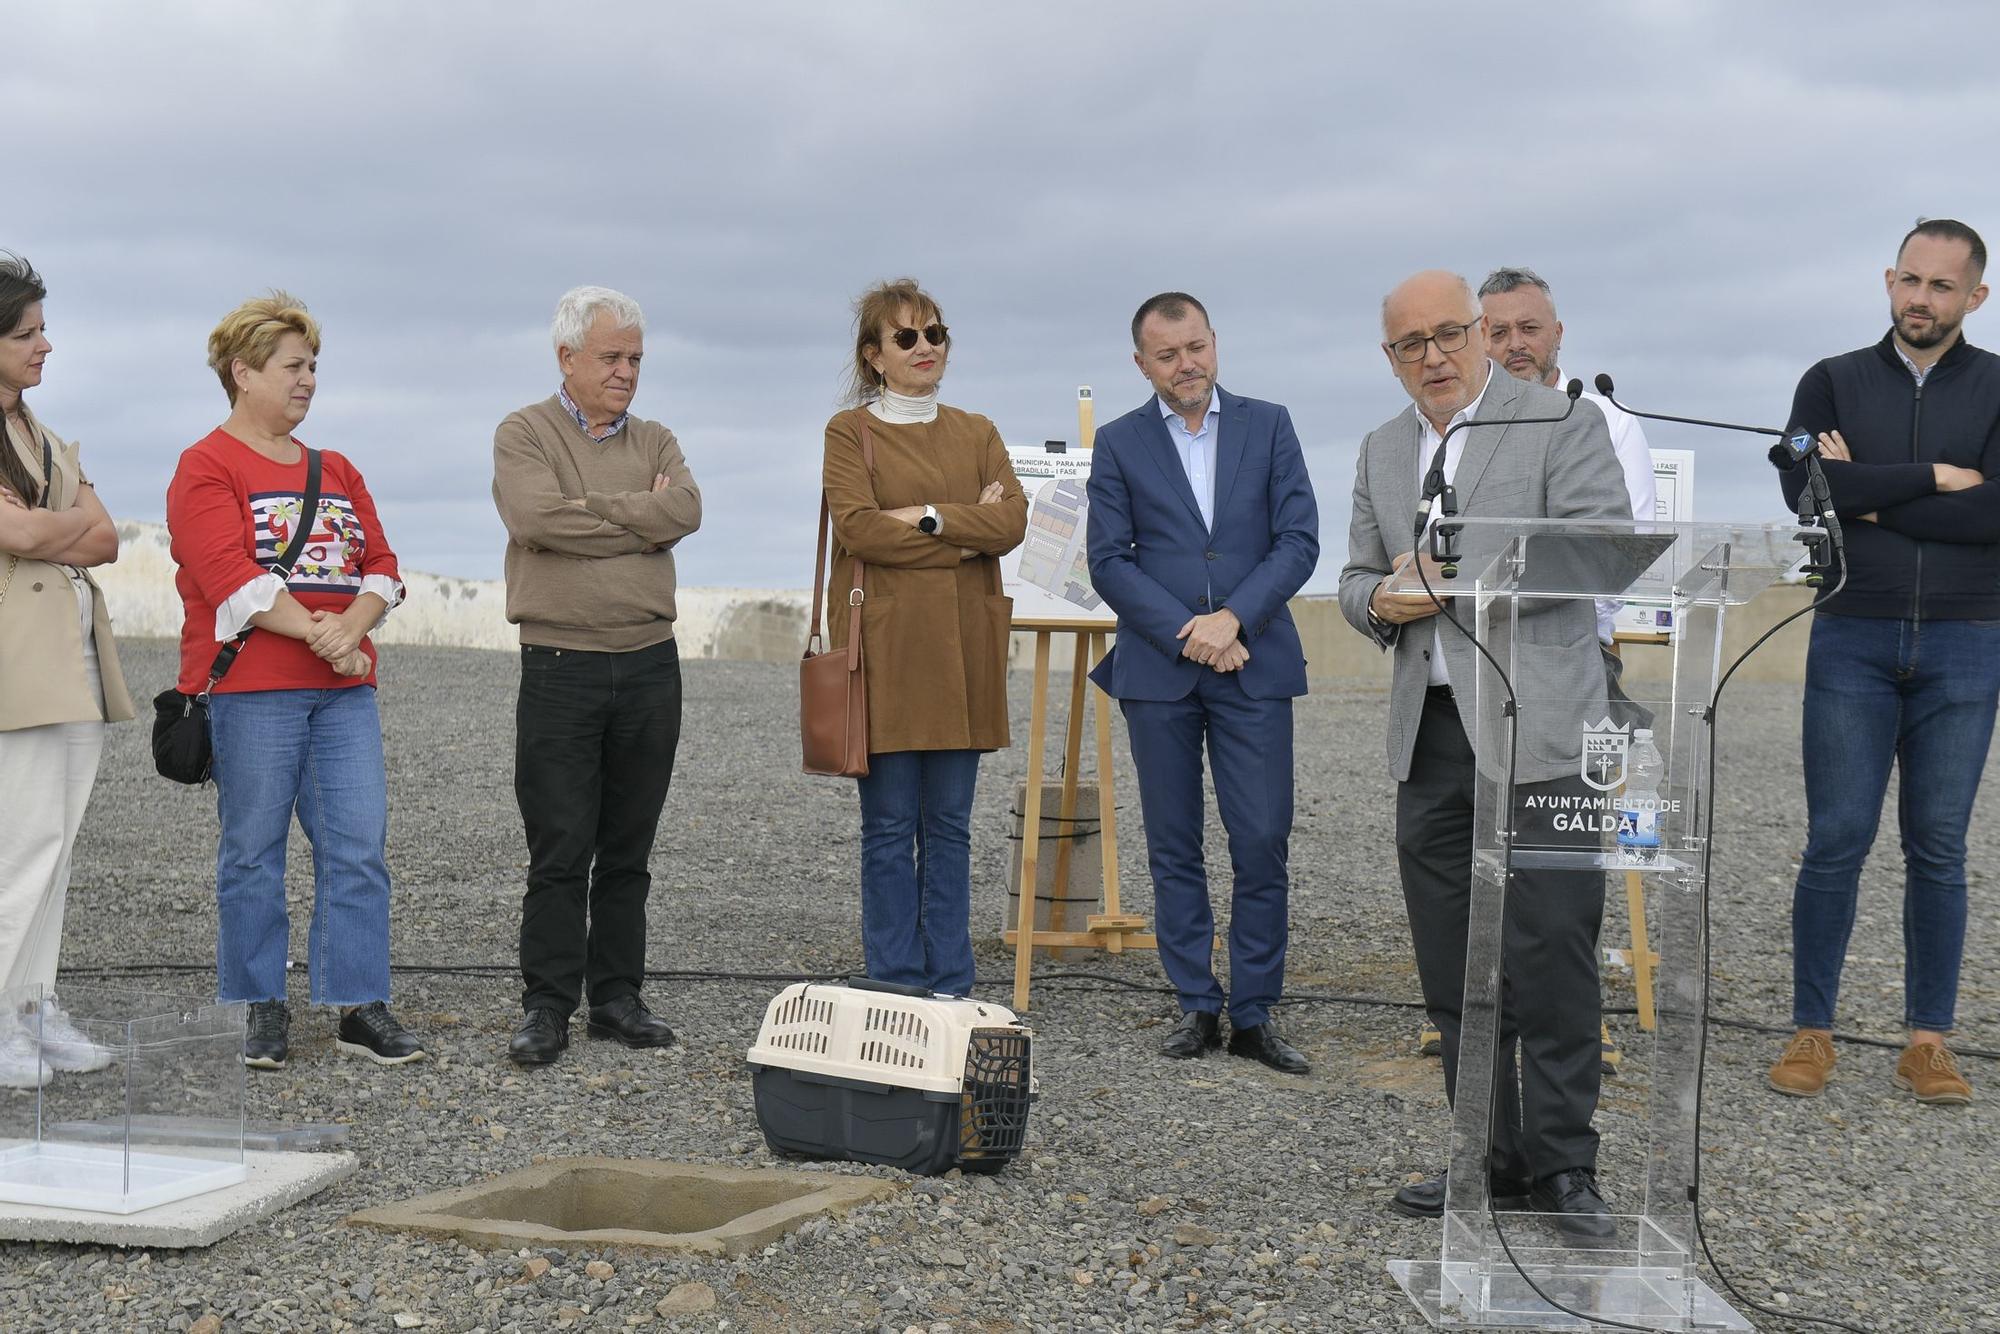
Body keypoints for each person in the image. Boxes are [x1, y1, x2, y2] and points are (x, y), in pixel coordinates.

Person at [1338, 270, 1629, 1236]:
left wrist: (1458, 581)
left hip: (1541, 732)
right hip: (1429, 741)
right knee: (1453, 964)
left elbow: (1599, 549)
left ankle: (1563, 1166)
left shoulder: (1558, 422)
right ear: (1389, 358)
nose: (1431, 358)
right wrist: (1380, 599)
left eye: (1446, 335)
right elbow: (1351, 576)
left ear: (1477, 333)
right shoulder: (1382, 449)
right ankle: (1488, 1156)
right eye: (1407, 345)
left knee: (1551, 952)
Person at [1767, 218, 2000, 1106]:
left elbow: (1996, 519)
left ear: (1974, 297)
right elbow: (1804, 489)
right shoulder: (1829, 381)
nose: (1920, 299)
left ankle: (1928, 1042)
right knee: (1835, 842)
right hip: (1853, 636)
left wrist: (1870, 493)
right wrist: (1939, 476)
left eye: (1942, 286)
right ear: (1888, 280)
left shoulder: (1999, 386)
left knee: (1938, 847)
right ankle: (1812, 1030)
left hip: (1968, 638)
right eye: (1909, 279)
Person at [167, 292, 425, 1071]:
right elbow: (228, 578)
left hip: (345, 690)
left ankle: (357, 1004)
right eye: (293, 366)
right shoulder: (205, 465)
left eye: (313, 366)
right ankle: (257, 1006)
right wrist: (326, 633)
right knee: (252, 850)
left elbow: (382, 565)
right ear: (243, 373)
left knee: (358, 847)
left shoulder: (336, 468)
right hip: (254, 690)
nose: (308, 379)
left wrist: (355, 629)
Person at [1085, 292, 1319, 1074]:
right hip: (1160, 670)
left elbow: (1298, 540)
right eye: (1167, 355)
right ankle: (1195, 1003)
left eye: (1196, 348)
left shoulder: (1270, 424)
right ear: (1142, 363)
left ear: (1214, 343)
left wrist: (1235, 621)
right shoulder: (1118, 444)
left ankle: (1253, 1012)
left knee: (1260, 839)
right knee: (1173, 844)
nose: (1186, 365)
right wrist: (1191, 632)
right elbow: (1109, 559)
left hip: (1255, 663)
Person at [493, 286, 701, 1065]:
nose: (626, 372)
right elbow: (537, 519)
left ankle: (616, 997)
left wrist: (596, 516)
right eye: (612, 357)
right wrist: (638, 525)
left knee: (628, 846)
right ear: (567, 357)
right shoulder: (524, 434)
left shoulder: (658, 438)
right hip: (560, 664)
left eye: (636, 359)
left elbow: (687, 508)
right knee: (559, 845)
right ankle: (547, 1003)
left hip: (650, 663)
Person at [819, 278, 1027, 994]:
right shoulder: (850, 433)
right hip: (886, 654)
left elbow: (1011, 525)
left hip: (963, 651)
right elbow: (857, 528)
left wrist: (926, 517)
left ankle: (950, 983)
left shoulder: (979, 430)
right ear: (874, 355)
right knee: (886, 832)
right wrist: (966, 529)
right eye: (906, 337)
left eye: (935, 333)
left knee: (950, 830)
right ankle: (896, 979)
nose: (925, 347)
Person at [1480, 264, 1658, 1075]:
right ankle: (1488, 1012)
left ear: (1558, 336)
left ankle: (1570, 1019)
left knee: (1564, 871)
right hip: (1476, 660)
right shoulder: (1467, 431)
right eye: (1499, 331)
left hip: (1581, 662)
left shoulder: (1607, 425)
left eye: (1530, 329)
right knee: (1480, 859)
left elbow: (1612, 554)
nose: (1516, 344)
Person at [0, 252, 133, 1088]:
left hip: (75, 657)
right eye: (26, 334)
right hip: (19, 662)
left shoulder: (42, 436)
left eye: (44, 330)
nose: (46, 346)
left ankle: (32, 1003)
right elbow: (21, 539)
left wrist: (43, 521)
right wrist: (60, 521)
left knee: (57, 844)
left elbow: (107, 537)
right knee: (21, 843)